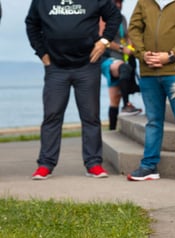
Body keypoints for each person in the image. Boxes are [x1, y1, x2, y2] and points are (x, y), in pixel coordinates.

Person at [25, 0, 122, 180]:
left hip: (88, 64)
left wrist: (104, 41)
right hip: (55, 67)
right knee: (52, 116)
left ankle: (93, 164)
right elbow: (31, 23)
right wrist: (41, 52)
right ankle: (45, 164)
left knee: (90, 116)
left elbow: (114, 16)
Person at [126, 0, 175, 182]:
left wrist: (171, 55)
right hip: (148, 70)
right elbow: (134, 28)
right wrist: (142, 53)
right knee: (153, 121)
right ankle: (148, 167)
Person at [100, 0, 142, 131]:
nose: (118, 5)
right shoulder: (102, 18)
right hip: (107, 58)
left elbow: (128, 36)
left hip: (120, 58)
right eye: (115, 2)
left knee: (114, 98)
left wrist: (131, 47)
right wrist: (122, 48)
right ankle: (126, 105)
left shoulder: (122, 18)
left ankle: (112, 130)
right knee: (124, 69)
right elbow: (102, 39)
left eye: (120, 2)